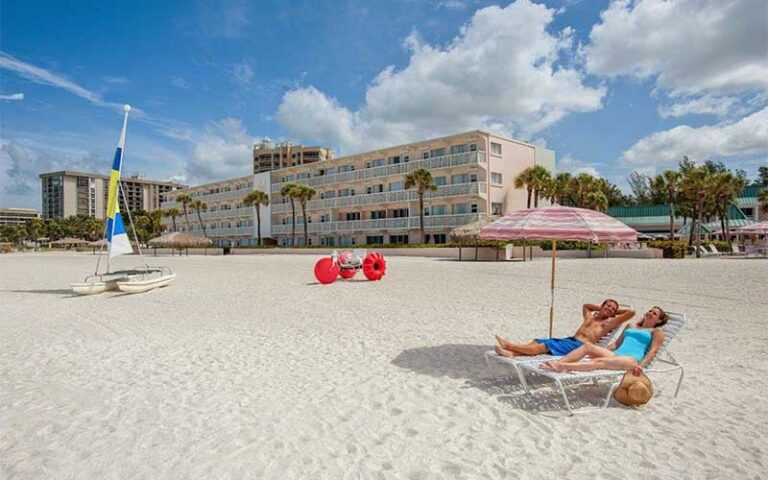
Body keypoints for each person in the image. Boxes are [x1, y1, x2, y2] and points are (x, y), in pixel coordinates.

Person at [541, 306, 668, 374]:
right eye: (650, 310)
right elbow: (617, 344)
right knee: (588, 346)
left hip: (632, 359)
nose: (650, 313)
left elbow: (653, 351)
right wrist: (600, 350)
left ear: (659, 321)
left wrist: (641, 366)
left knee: (600, 361)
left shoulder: (656, 332)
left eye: (654, 313)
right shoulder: (631, 326)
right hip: (616, 354)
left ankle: (562, 366)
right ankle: (557, 364)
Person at [494, 299, 635, 358]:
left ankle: (510, 346)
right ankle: (513, 354)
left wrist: (613, 312)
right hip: (570, 341)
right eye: (607, 305)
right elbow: (586, 306)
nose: (609, 309)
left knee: (543, 346)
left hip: (580, 346)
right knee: (537, 341)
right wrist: (602, 308)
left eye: (612, 308)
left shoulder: (608, 323)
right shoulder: (590, 318)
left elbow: (632, 312)